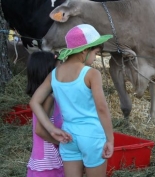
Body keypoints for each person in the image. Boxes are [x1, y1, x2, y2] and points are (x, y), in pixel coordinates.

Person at [29, 24, 114, 177]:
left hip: (68, 136)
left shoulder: (54, 74)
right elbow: (102, 108)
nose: (95, 58)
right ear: (85, 50)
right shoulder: (91, 73)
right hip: (92, 135)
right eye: (96, 53)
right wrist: (110, 139)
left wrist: (52, 129)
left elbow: (34, 102)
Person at [26, 51, 64, 177]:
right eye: (58, 68)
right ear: (48, 72)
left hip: (43, 162)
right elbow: (40, 130)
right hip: (49, 164)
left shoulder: (42, 97)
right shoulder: (48, 98)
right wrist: (63, 144)